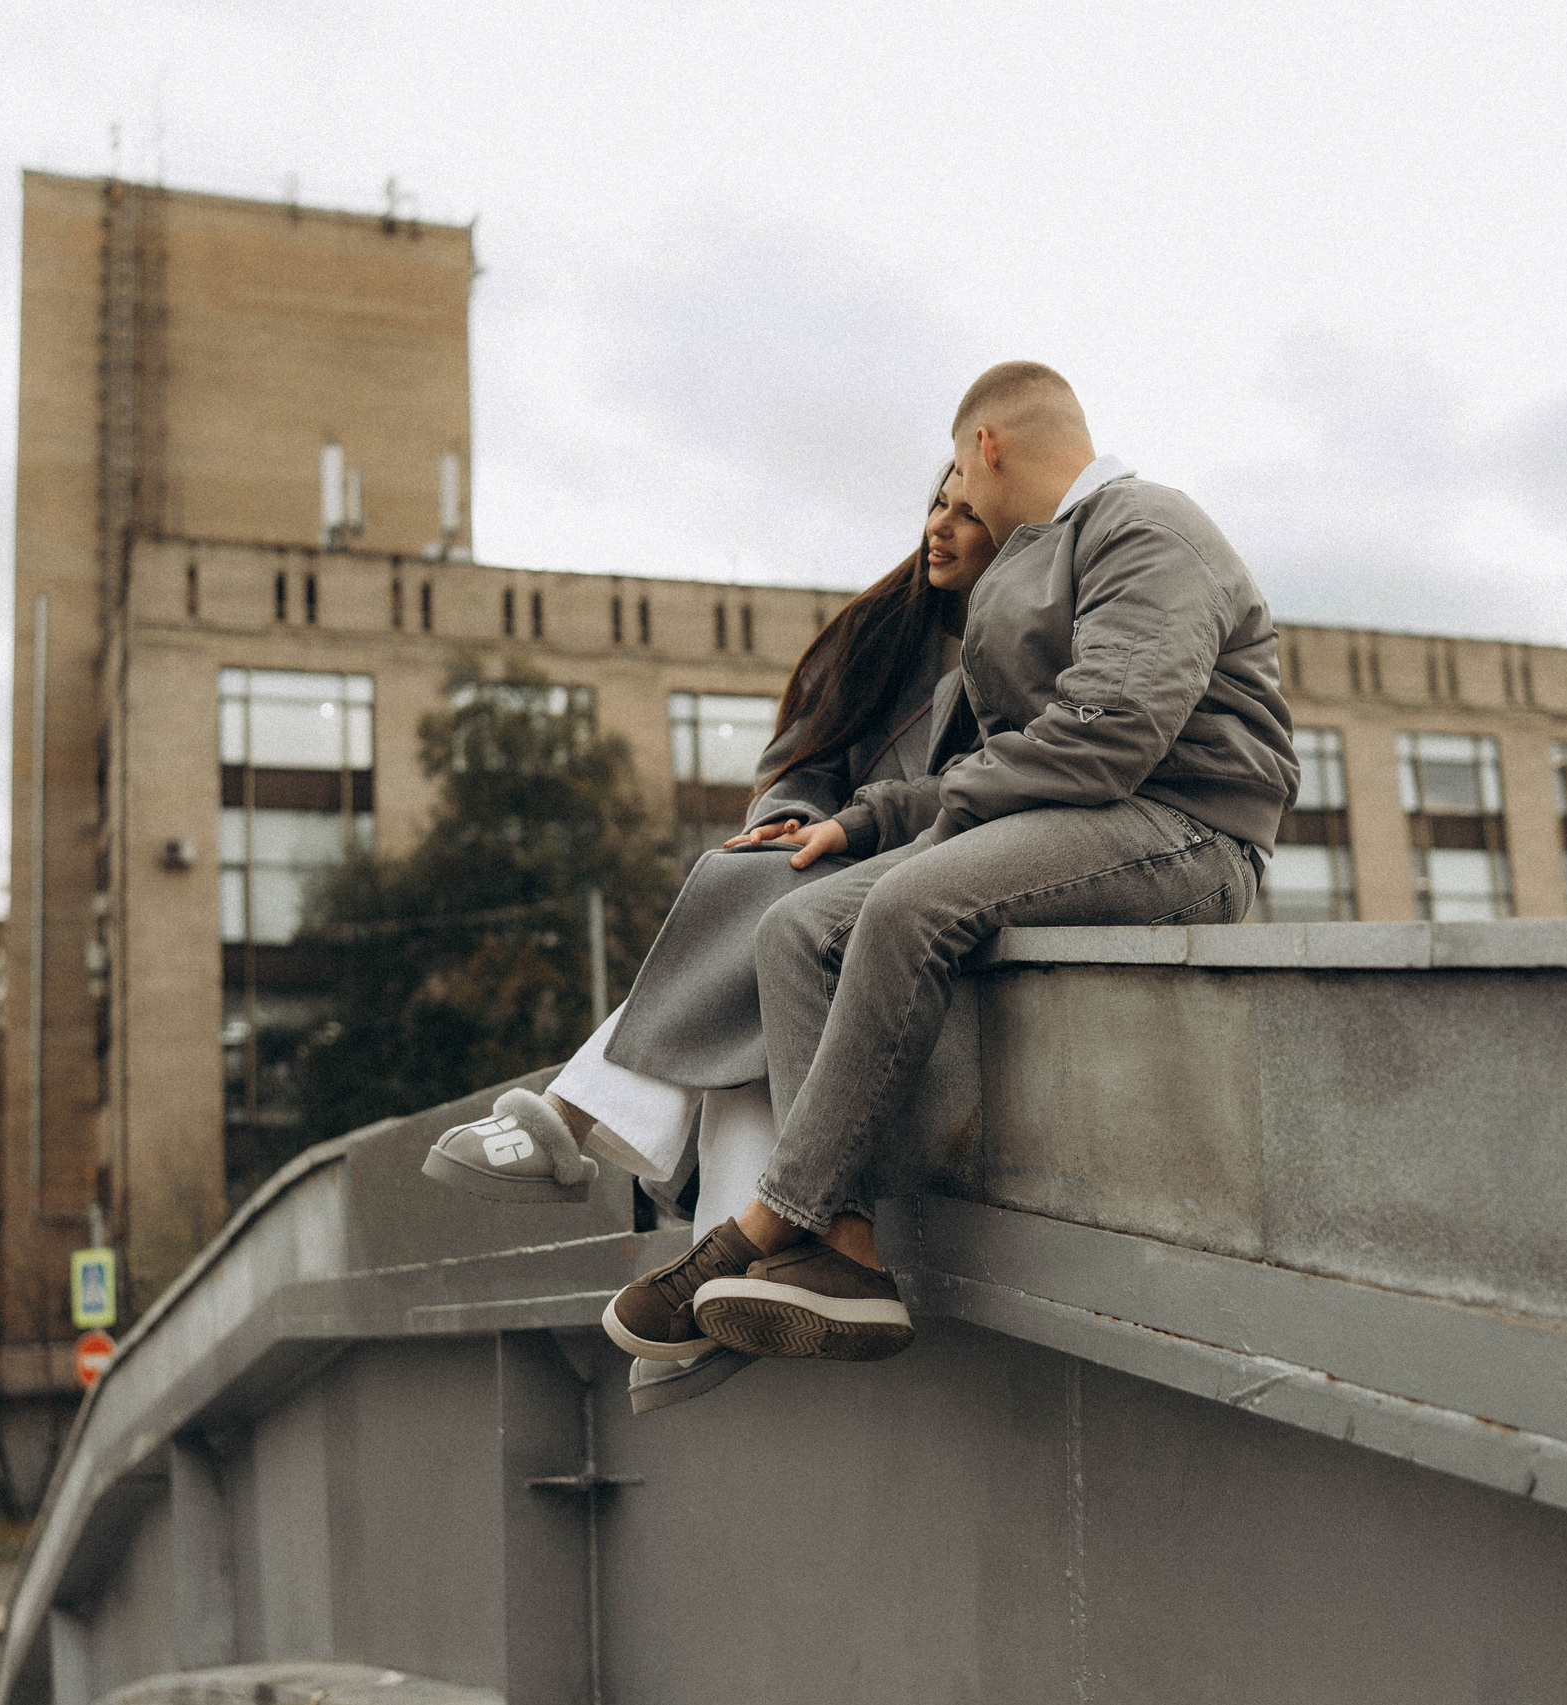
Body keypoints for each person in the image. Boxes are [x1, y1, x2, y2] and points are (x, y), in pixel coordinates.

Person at [604, 360, 1299, 1367]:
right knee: (796, 927)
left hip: (1188, 827)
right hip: (1082, 816)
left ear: (987, 446)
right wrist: (869, 820)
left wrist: (927, 829)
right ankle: (844, 1249)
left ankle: (765, 1222)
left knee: (909, 904)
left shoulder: (1147, 526)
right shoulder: (1039, 561)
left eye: (959, 478)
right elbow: (1016, 761)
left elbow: (1106, 736)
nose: (956, 499)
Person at [426, 462, 1001, 1407]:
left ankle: (578, 1121)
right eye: (937, 502)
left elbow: (997, 790)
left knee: (777, 913)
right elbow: (803, 759)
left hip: (934, 879)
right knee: (764, 905)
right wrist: (792, 815)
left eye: (969, 513)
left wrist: (854, 828)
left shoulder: (1024, 642)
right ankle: (719, 1277)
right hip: (835, 875)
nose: (940, 526)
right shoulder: (881, 632)